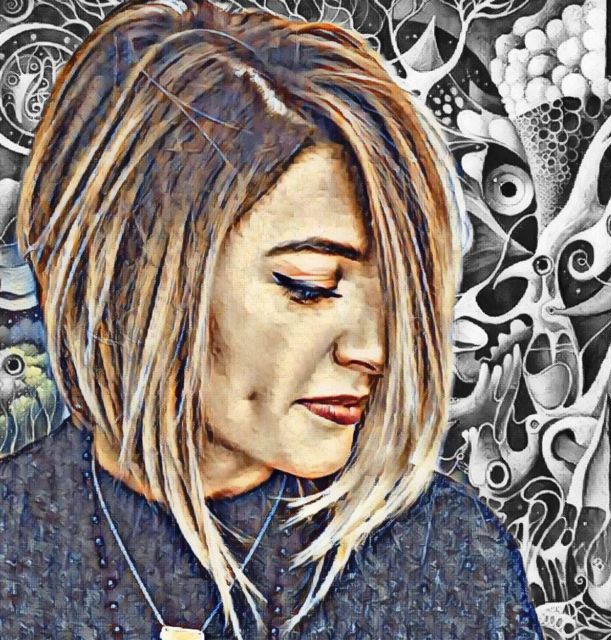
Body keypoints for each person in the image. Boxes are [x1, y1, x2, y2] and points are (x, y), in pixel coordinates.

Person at [0, 0, 542, 638]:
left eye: (396, 298)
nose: (376, 350)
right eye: (311, 286)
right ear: (133, 272)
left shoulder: (446, 559)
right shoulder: (16, 541)